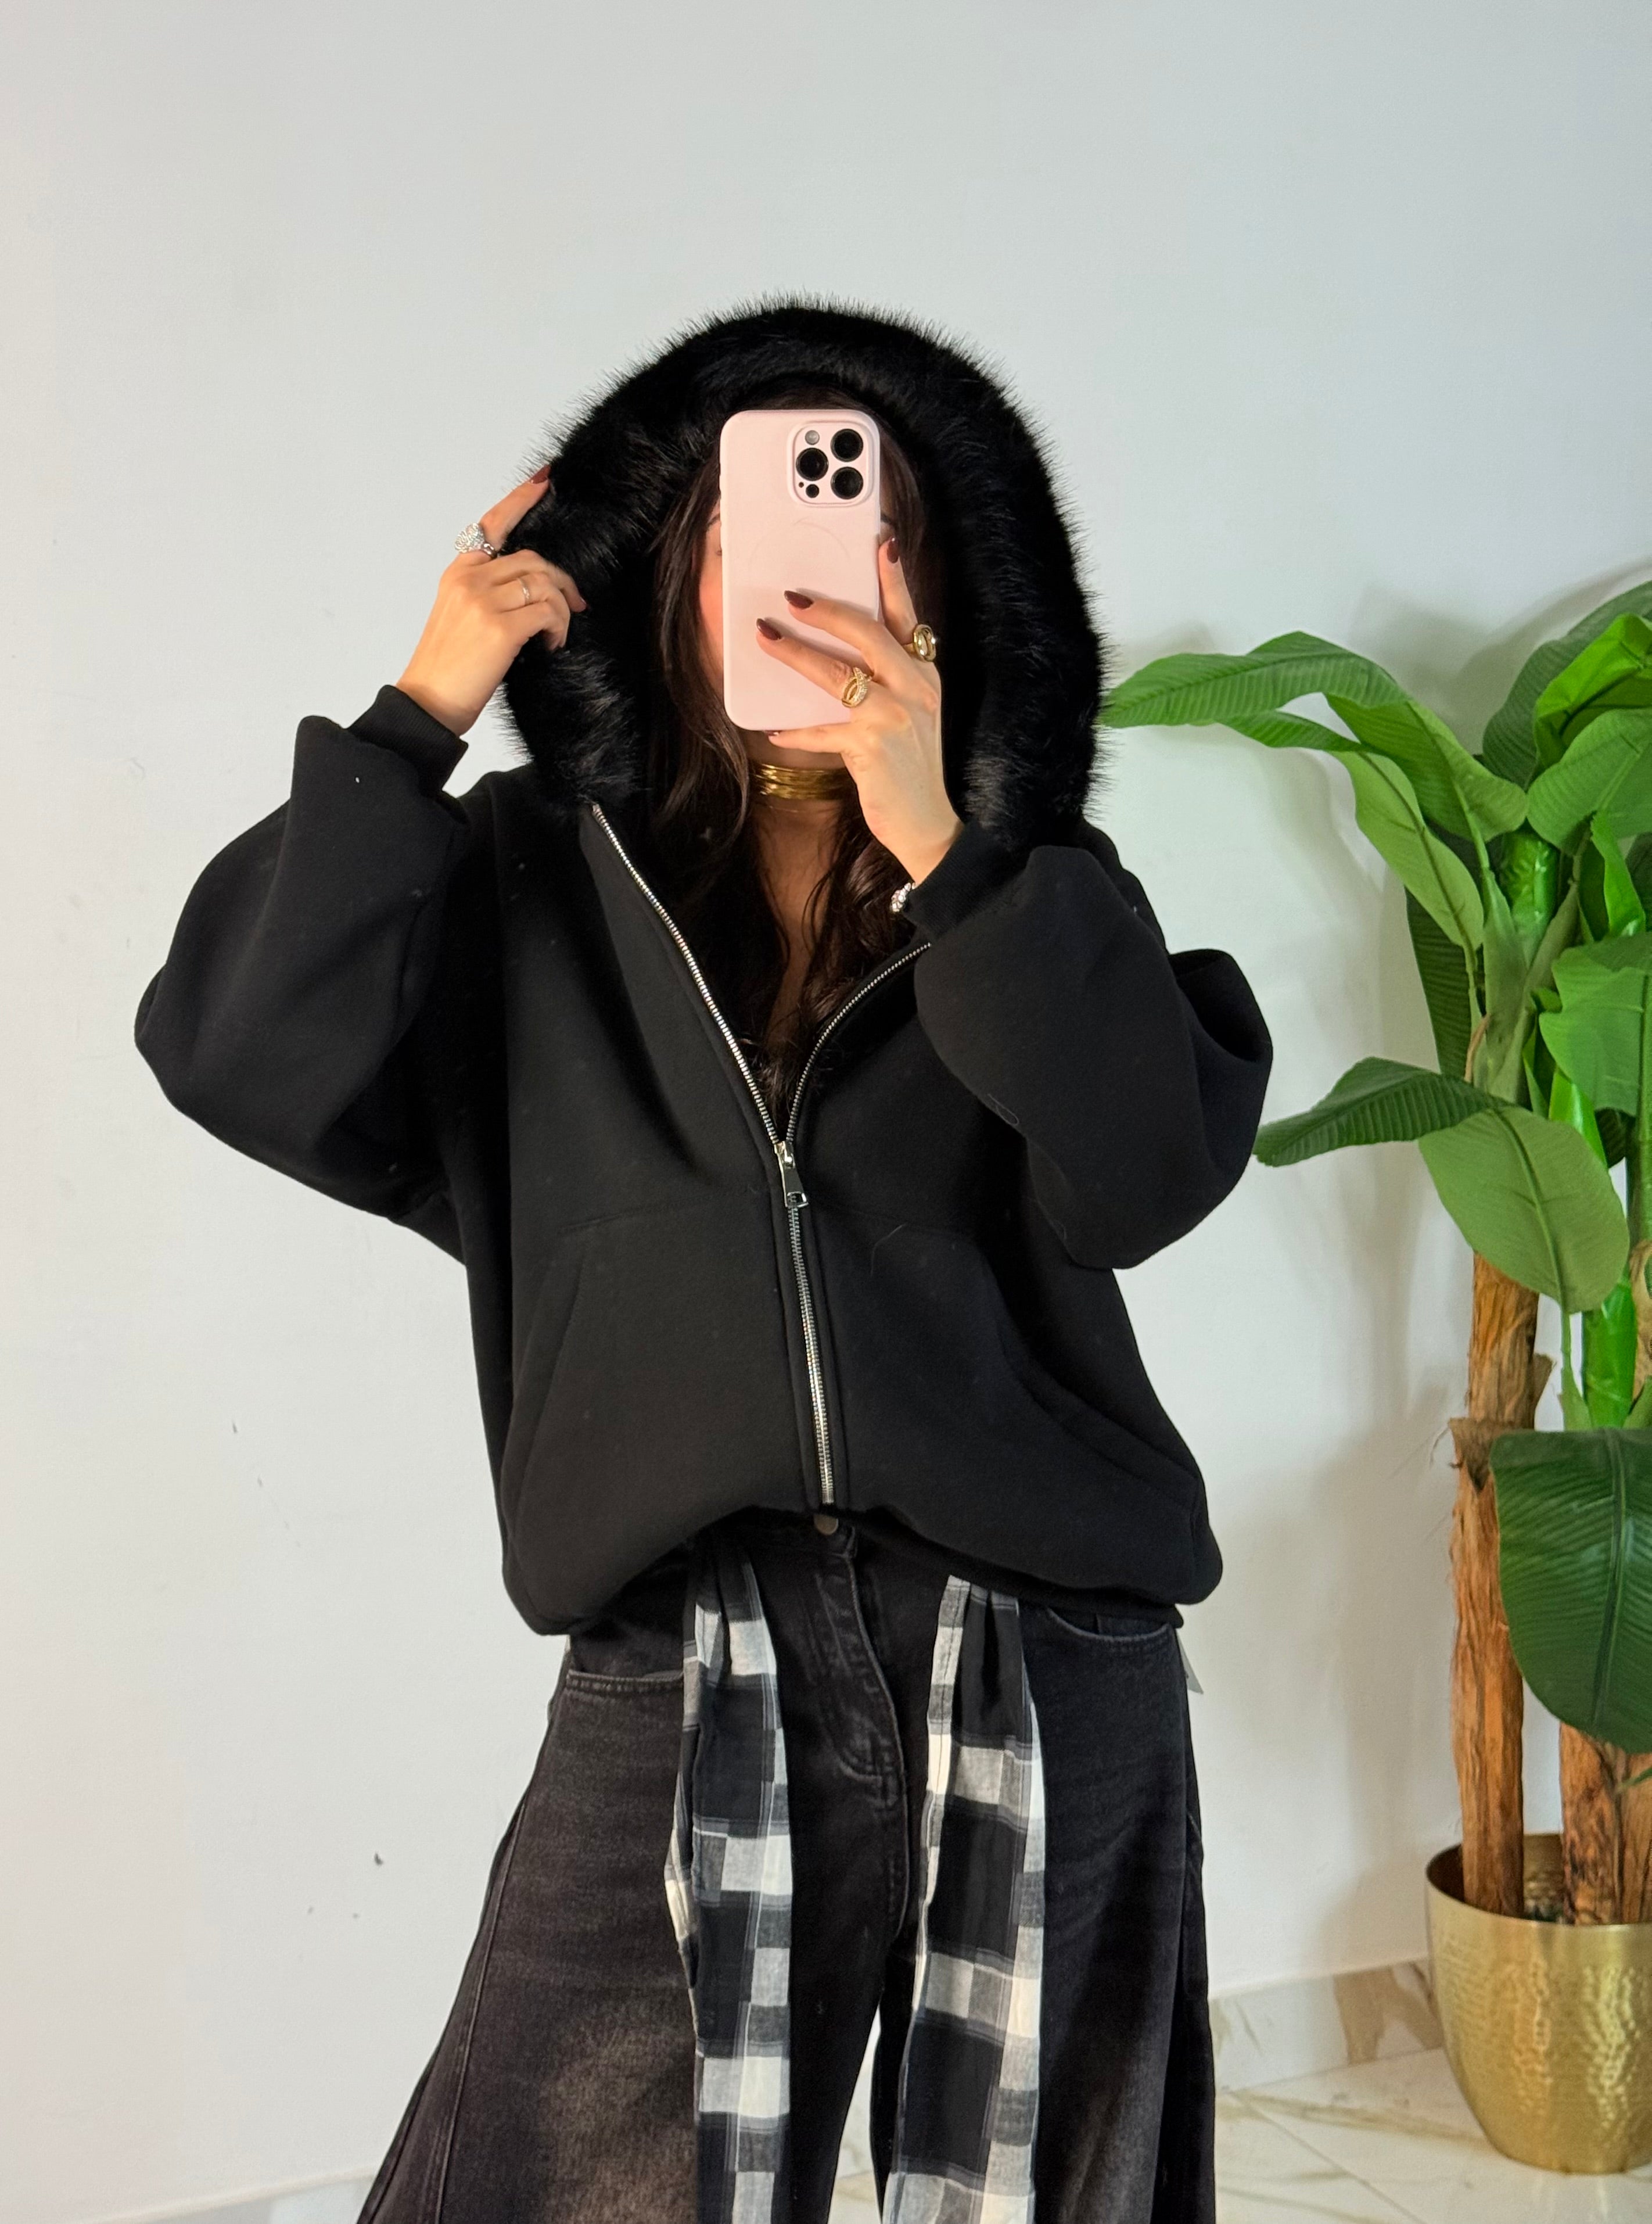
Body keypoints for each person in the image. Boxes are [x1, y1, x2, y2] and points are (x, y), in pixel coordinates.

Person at [134, 302, 1273, 2224]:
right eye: (766, 525)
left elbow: (1144, 1176)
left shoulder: (1026, 891)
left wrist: (951, 850)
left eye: (876, 529)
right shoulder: (520, 885)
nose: (824, 574)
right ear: (671, 570)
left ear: (948, 592)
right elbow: (238, 1055)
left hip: (1041, 1635)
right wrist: (417, 714)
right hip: (683, 1637)